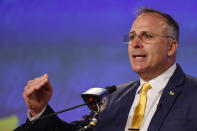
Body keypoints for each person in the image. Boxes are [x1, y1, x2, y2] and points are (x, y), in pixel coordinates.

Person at [15, 7, 197, 131]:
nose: (135, 44)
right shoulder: (113, 98)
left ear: (171, 47)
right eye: (132, 37)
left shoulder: (193, 93)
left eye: (146, 36)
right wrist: (39, 111)